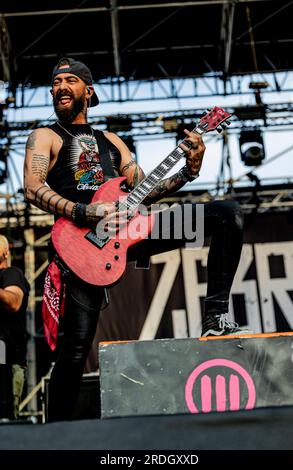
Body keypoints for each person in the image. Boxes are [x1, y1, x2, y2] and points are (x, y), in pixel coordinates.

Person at [23, 57, 245, 421]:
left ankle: (216, 317)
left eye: (69, 81)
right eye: (56, 82)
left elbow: (146, 190)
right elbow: (33, 189)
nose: (60, 87)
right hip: (81, 245)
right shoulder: (45, 136)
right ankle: (54, 437)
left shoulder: (113, 143)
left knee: (226, 215)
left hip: (131, 232)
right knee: (74, 353)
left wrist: (189, 171)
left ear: (88, 91)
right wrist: (84, 212)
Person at [0, 235, 30, 420]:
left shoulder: (11, 273)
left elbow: (13, 302)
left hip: (7, 358)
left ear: (5, 252)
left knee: (5, 417)